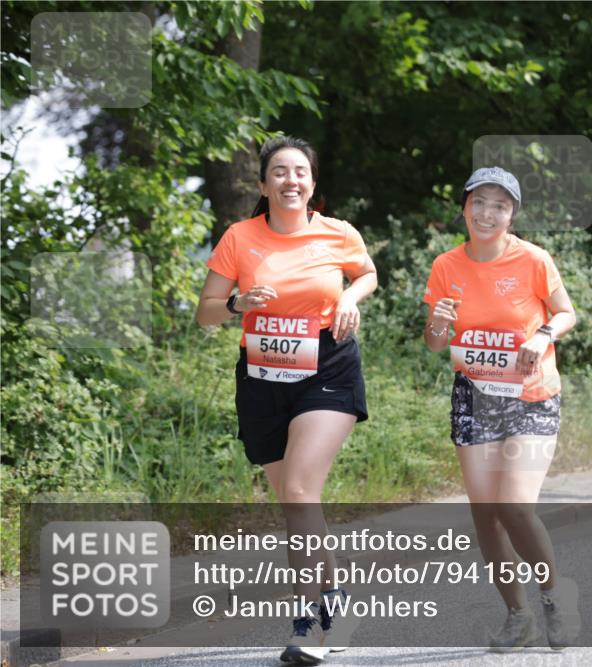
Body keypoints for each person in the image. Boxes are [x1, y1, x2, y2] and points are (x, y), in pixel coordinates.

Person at [196, 136, 377, 666]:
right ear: (262, 184)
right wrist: (236, 302)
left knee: (300, 490)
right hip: (261, 375)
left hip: (327, 365)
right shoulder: (239, 237)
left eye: (300, 171)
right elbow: (206, 311)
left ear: (312, 183)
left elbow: (366, 272)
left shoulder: (337, 233)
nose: (290, 180)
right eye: (279, 171)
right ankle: (336, 599)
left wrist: (348, 296)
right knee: (298, 505)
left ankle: (306, 625)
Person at [423, 167, 580, 652]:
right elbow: (434, 344)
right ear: (465, 207)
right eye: (480, 202)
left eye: (500, 205)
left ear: (512, 215)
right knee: (486, 514)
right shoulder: (446, 266)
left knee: (514, 505)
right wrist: (439, 325)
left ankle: (555, 597)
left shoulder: (533, 260)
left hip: (531, 396)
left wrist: (542, 334)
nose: (488, 213)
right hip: (474, 397)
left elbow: (566, 312)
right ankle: (518, 616)